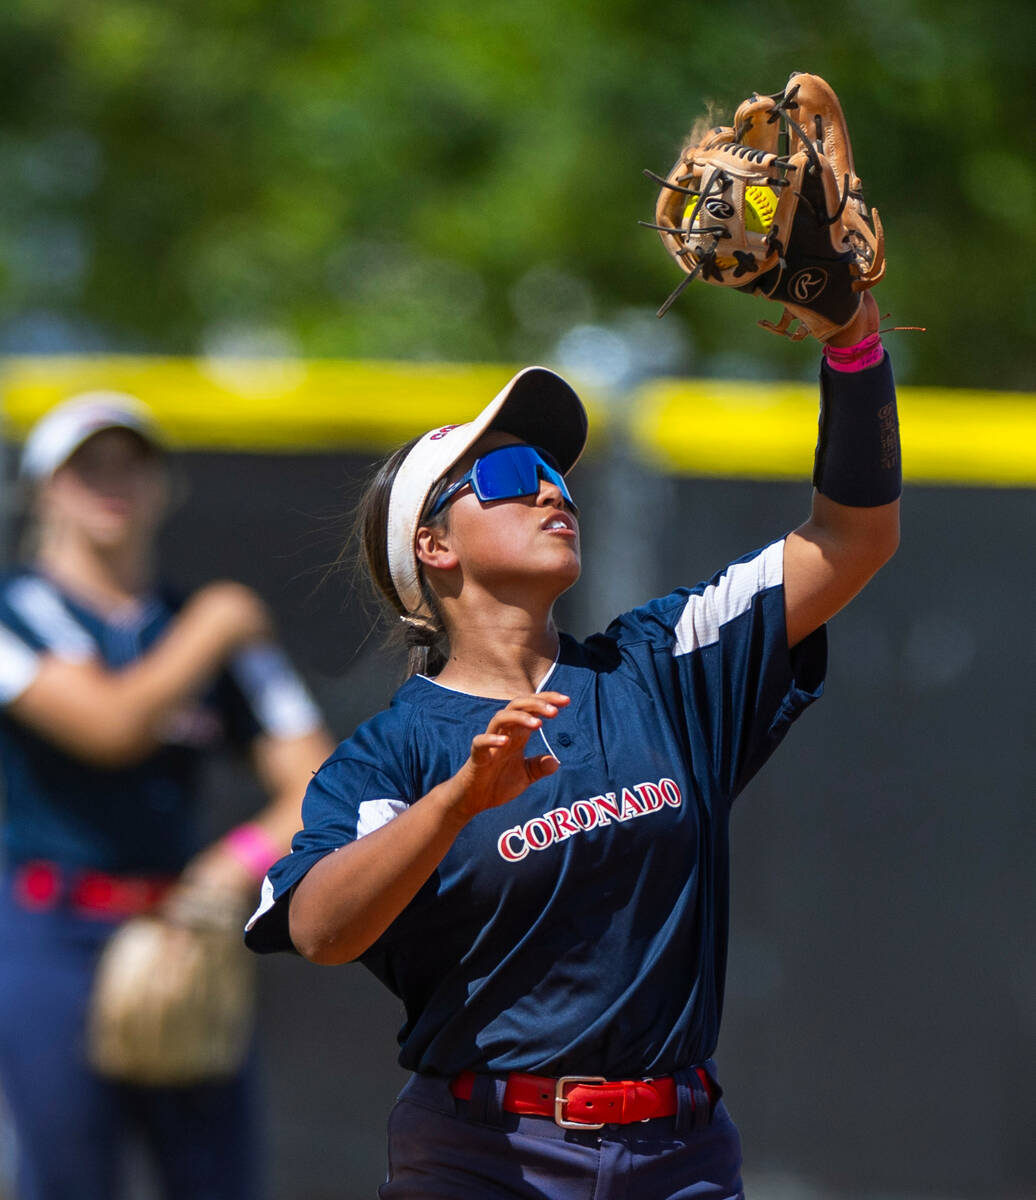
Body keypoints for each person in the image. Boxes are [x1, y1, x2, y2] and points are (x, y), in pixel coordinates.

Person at [245, 291, 900, 1198]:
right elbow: (318, 928)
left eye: (554, 469)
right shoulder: (390, 756)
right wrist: (455, 804)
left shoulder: (664, 667)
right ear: (432, 545)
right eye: (510, 474)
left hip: (680, 1156)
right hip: (486, 1158)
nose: (552, 485)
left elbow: (853, 535)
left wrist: (854, 345)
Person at [0, 391, 335, 1200]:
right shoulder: (18, 614)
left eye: (132, 465)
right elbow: (108, 727)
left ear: (163, 487)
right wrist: (216, 627)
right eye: (88, 468)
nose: (113, 483)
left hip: (184, 931)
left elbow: (319, 783)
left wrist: (233, 865)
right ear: (45, 487)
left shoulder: (192, 620)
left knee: (216, 1179)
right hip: (51, 932)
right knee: (66, 1179)